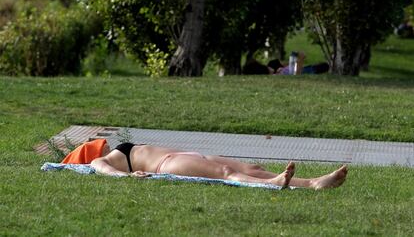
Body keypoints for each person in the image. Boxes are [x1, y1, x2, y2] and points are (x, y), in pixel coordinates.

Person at [73, 139, 348, 190]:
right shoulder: (106, 157)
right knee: (227, 174)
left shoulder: (122, 150)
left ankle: (313, 182)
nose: (105, 143)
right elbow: (101, 168)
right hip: (168, 165)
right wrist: (125, 178)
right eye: (99, 143)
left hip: (187, 156)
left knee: (252, 168)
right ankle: (270, 184)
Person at [242, 52, 329, 75]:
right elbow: (295, 72)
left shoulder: (277, 72)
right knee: (323, 66)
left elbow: (290, 69)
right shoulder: (276, 73)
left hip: (306, 69)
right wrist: (301, 59)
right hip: (309, 70)